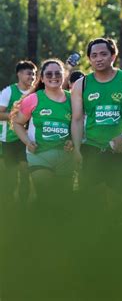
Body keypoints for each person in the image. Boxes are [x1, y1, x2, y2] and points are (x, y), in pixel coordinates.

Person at [71, 38, 122, 224]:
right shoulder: (82, 85)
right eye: (94, 55)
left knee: (116, 205)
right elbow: (77, 119)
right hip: (91, 149)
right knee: (91, 204)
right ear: (89, 59)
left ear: (113, 55)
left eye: (103, 54)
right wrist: (77, 149)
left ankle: (113, 239)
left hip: (118, 152)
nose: (98, 59)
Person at [11, 59, 74, 216]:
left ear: (64, 75)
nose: (54, 76)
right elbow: (17, 123)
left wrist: (72, 140)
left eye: (57, 73)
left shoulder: (73, 100)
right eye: (49, 74)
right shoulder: (33, 99)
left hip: (66, 157)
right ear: (43, 78)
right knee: (47, 195)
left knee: (64, 200)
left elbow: (78, 125)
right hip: (39, 156)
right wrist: (27, 141)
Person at [0, 60, 37, 207]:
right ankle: (9, 206)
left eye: (34, 74)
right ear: (19, 74)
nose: (32, 77)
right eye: (29, 73)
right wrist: (18, 116)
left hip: (26, 139)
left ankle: (23, 205)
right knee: (10, 175)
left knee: (25, 173)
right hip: (9, 139)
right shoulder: (8, 91)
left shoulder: (36, 93)